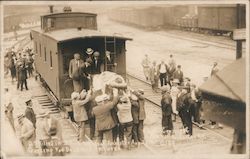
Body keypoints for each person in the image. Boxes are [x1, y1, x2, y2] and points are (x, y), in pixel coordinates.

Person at [92, 89, 120, 154]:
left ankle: (99, 151)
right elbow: (114, 102)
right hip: (108, 126)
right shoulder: (106, 106)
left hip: (99, 126)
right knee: (109, 139)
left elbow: (92, 115)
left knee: (99, 139)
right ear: (102, 101)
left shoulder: (94, 109)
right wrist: (115, 94)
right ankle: (109, 152)